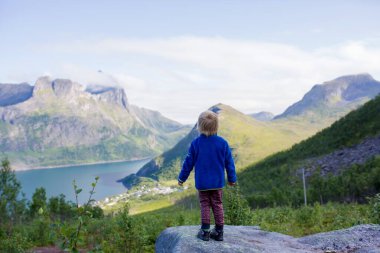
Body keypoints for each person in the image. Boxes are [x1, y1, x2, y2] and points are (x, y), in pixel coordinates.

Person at [178, 110, 237, 241]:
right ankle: (219, 232)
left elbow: (188, 163)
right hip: (217, 183)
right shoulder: (223, 143)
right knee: (218, 204)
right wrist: (232, 179)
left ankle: (205, 232)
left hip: (202, 183)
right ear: (216, 126)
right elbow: (229, 163)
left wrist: (182, 178)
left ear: (199, 126)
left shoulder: (196, 144)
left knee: (205, 204)